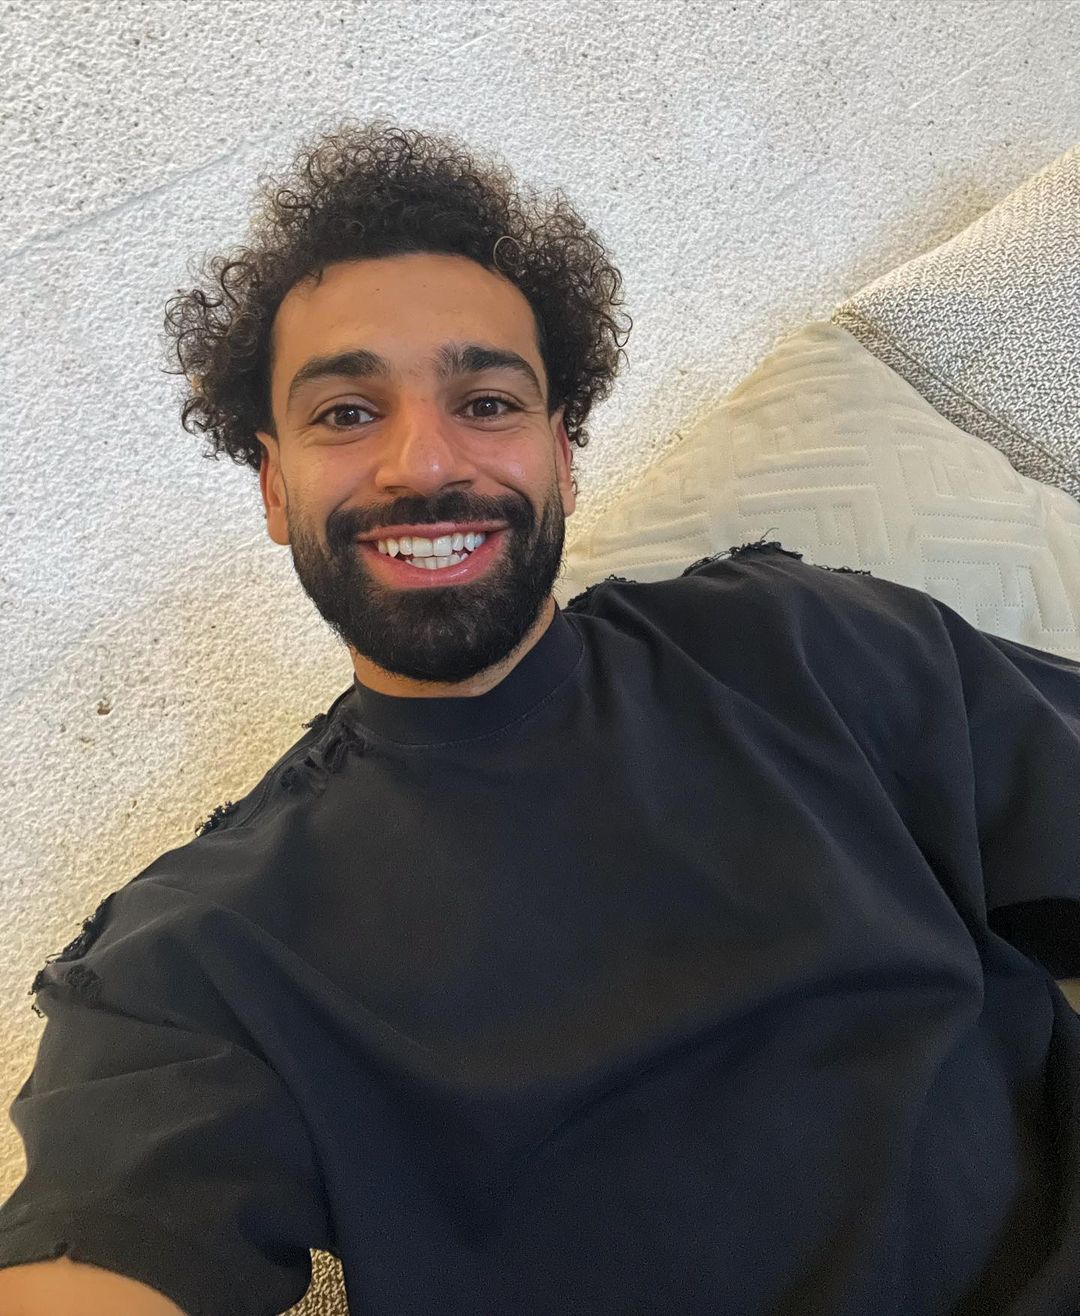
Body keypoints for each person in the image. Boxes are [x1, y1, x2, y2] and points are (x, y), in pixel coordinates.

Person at [0, 116, 1078, 1316]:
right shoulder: (198, 956)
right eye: (346, 413)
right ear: (273, 486)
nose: (424, 463)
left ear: (563, 454)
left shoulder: (803, 640)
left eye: (487, 399)